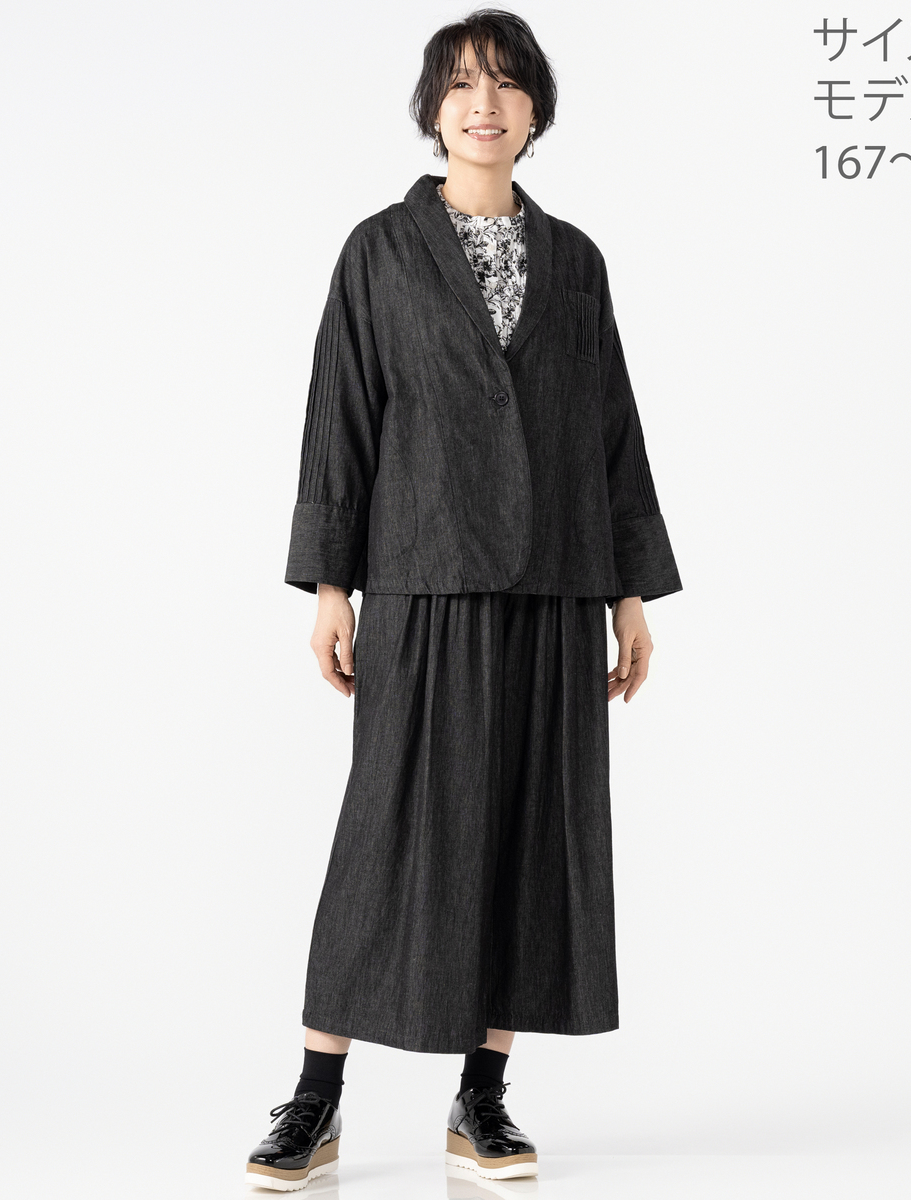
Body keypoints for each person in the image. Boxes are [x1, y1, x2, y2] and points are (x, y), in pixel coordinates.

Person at [244, 8, 682, 1191]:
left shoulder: (577, 261)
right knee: (388, 832)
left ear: (536, 111)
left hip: (555, 582)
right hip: (423, 575)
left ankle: (481, 1098)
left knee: (530, 834)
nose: (483, 104)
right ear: (433, 109)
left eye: (506, 84)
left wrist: (632, 592)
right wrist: (331, 584)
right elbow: (340, 416)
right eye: (461, 84)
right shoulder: (380, 252)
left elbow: (611, 429)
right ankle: (315, 1098)